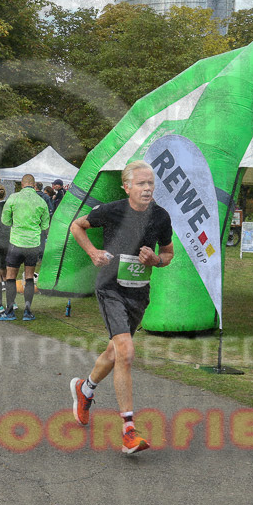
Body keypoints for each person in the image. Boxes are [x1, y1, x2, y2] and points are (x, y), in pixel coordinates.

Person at [67, 160, 174, 455]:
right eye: (141, 183)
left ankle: (85, 389)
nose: (147, 188)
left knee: (115, 352)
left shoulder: (161, 217)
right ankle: (128, 430)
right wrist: (92, 252)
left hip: (138, 293)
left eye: (151, 183)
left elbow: (168, 253)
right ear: (126, 187)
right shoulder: (111, 210)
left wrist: (156, 260)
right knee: (126, 352)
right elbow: (76, 225)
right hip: (111, 287)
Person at [0, 174, 51, 321]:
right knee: (29, 277)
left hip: (16, 242)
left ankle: (10, 310)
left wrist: (15, 222)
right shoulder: (41, 201)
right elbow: (45, 225)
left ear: (22, 184)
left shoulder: (13, 198)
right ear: (34, 184)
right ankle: (28, 311)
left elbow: (5, 220)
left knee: (11, 276)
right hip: (33, 244)